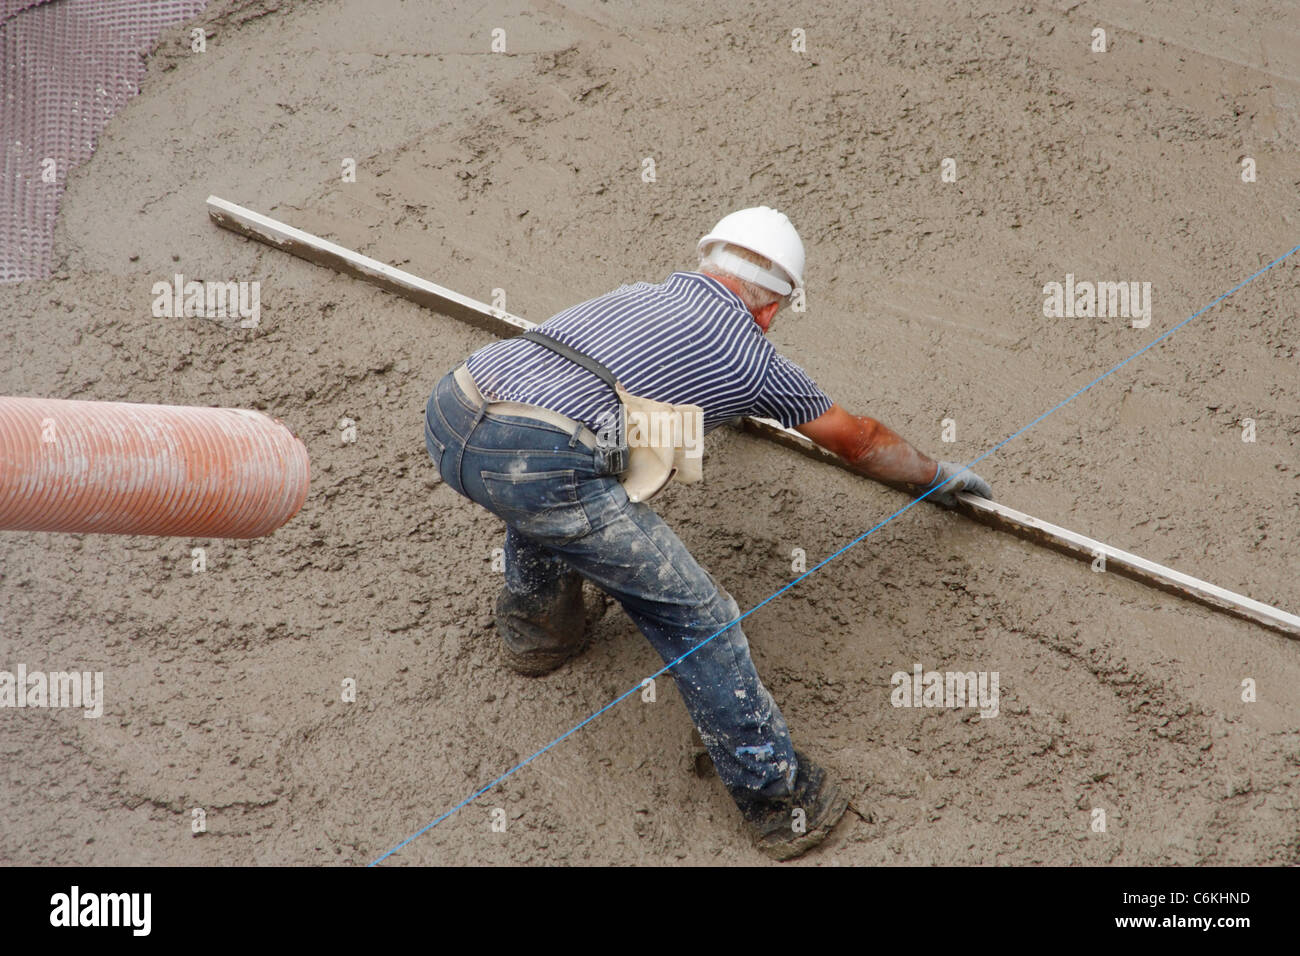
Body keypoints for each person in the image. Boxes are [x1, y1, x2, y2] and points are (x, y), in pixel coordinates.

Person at [423, 206, 994, 859]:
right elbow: (857, 440)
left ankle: (539, 629)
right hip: (538, 460)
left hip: (455, 406)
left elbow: (633, 397)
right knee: (702, 618)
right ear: (773, 310)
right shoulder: (753, 362)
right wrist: (935, 476)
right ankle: (780, 801)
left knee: (548, 486)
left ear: (708, 262)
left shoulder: (640, 295)